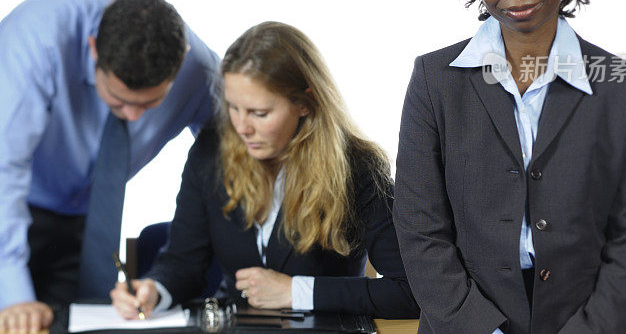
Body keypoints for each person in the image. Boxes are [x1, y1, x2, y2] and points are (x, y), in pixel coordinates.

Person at [393, 0, 626, 333]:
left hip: (586, 320)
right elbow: (418, 225)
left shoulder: (622, 85)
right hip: (465, 321)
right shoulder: (435, 79)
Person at [0, 0, 220, 334]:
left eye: (149, 103)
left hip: (83, 205)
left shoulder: (200, 69)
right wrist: (12, 299)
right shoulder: (36, 39)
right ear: (93, 47)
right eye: (117, 100)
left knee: (78, 324)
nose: (131, 115)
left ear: (181, 61)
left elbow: (234, 158)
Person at [110, 22, 420, 319]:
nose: (242, 128)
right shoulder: (211, 150)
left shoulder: (359, 167)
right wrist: (155, 289)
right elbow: (183, 262)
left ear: (306, 103)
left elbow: (411, 291)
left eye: (259, 113)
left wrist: (297, 292)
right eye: (233, 108)